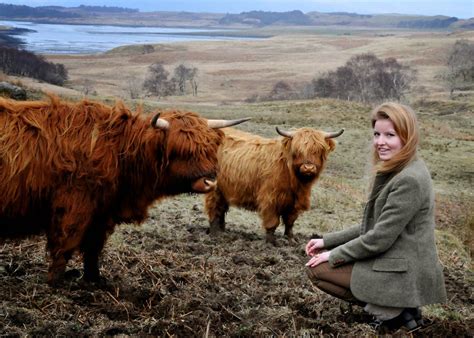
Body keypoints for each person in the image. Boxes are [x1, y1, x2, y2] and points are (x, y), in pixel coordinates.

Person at [305, 102, 447, 333]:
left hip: (402, 269)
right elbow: (373, 225)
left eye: (390, 135)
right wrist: (326, 241)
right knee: (324, 263)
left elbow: (378, 238)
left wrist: (333, 255)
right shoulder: (401, 169)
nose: (380, 142)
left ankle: (394, 313)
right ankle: (403, 311)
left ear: (407, 136)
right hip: (397, 259)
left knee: (318, 270)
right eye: (377, 134)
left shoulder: (408, 179)